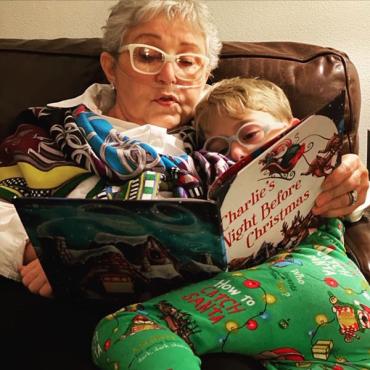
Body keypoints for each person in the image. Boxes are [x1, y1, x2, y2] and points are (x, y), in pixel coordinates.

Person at [0, 0, 368, 368]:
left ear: (206, 74)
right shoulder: (49, 133)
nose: (169, 75)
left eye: (188, 61)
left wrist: (345, 181)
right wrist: (41, 249)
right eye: (148, 55)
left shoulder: (222, 131)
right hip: (88, 312)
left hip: (240, 310)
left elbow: (313, 186)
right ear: (111, 67)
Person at [92, 77, 370, 370]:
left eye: (248, 134)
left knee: (128, 326)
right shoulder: (202, 181)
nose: (235, 153)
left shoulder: (317, 169)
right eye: (220, 149)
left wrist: (349, 170)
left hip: (289, 279)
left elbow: (353, 193)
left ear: (294, 129)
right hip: (343, 318)